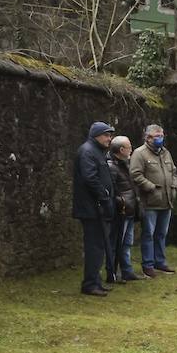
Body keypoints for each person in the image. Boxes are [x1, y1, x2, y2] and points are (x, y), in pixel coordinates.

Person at [72, 121, 116, 296]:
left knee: (99, 245)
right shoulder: (88, 151)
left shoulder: (95, 151)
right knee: (94, 246)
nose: (109, 138)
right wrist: (104, 196)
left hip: (96, 207)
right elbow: (90, 178)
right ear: (96, 135)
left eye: (110, 135)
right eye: (106, 135)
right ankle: (90, 283)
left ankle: (94, 281)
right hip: (92, 208)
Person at [129, 124, 177, 276]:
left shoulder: (165, 153)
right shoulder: (140, 153)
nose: (160, 139)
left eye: (162, 136)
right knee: (149, 234)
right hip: (150, 202)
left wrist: (174, 185)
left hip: (167, 201)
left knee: (161, 234)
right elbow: (135, 174)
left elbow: (173, 171)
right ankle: (148, 264)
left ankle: (160, 262)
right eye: (157, 136)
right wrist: (150, 187)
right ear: (148, 138)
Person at [107, 136, 145, 282]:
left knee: (127, 242)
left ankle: (127, 271)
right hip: (121, 211)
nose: (131, 149)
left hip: (129, 209)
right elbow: (111, 190)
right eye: (129, 147)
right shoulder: (112, 167)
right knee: (117, 243)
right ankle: (113, 272)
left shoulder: (125, 164)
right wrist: (121, 202)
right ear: (121, 150)